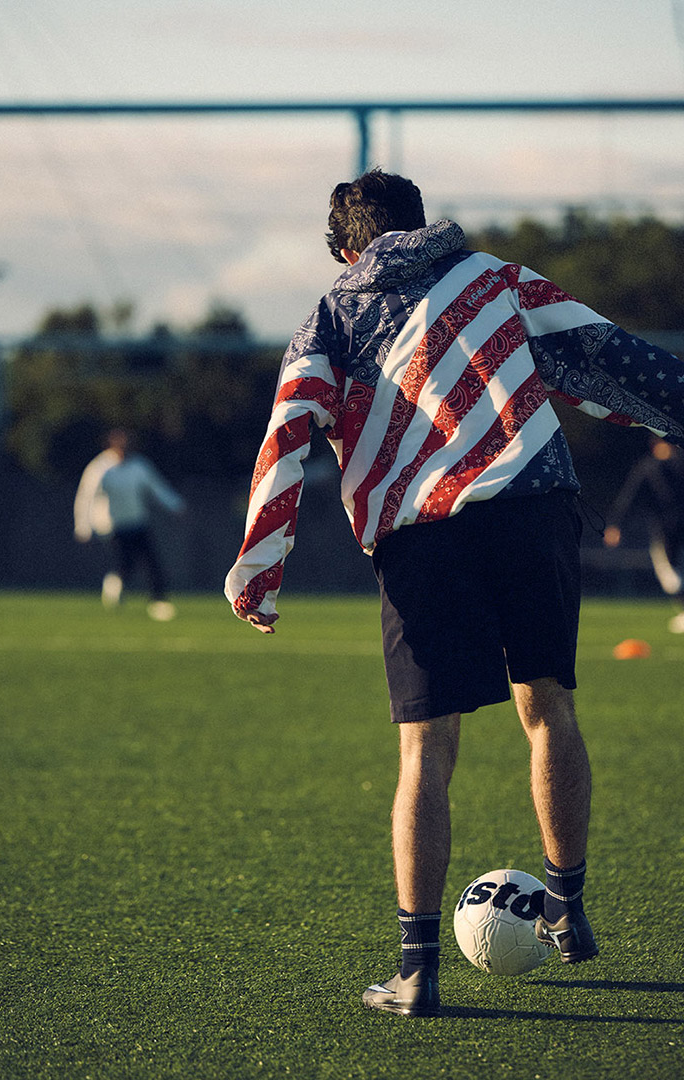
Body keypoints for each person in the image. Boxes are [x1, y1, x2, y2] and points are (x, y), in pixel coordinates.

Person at [224, 170, 684, 1017]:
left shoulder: (333, 315)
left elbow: (288, 429)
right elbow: (607, 353)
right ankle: (567, 913)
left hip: (421, 531)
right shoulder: (494, 278)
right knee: (549, 708)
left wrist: (259, 564)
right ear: (421, 223)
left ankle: (418, 972)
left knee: (426, 750)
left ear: (345, 249)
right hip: (535, 502)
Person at [74, 429, 185, 621]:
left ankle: (158, 601)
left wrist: (176, 505)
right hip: (111, 525)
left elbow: (157, 487)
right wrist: (83, 527)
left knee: (152, 563)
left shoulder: (139, 466)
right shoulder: (99, 468)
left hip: (137, 522)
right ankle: (114, 584)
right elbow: (86, 497)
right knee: (126, 564)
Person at [604, 438, 684, 632]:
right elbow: (630, 497)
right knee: (669, 573)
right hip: (663, 530)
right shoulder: (648, 467)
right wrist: (616, 525)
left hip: (678, 526)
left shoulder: (679, 465)